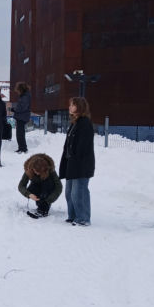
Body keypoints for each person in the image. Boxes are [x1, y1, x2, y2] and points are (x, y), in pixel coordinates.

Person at [59, 96, 95, 226]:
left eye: (72, 105)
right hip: (71, 164)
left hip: (81, 165)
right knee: (69, 193)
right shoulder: (75, 123)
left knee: (79, 192)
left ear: (79, 107)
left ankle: (83, 218)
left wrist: (75, 157)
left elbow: (83, 147)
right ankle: (73, 216)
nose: (69, 107)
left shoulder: (85, 123)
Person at [18, 153, 62, 219]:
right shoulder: (29, 169)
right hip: (36, 186)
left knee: (47, 184)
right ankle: (40, 203)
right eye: (36, 171)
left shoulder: (50, 168)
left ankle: (43, 208)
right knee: (33, 188)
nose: (38, 173)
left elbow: (59, 187)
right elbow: (21, 186)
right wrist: (29, 194)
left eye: (40, 172)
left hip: (47, 187)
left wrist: (48, 200)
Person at [13, 82, 31, 153]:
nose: (17, 92)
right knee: (20, 133)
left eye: (18, 90)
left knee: (20, 134)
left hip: (22, 117)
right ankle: (21, 148)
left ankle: (23, 148)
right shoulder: (25, 95)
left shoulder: (25, 96)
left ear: (21, 89)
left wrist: (14, 109)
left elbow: (22, 107)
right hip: (22, 117)